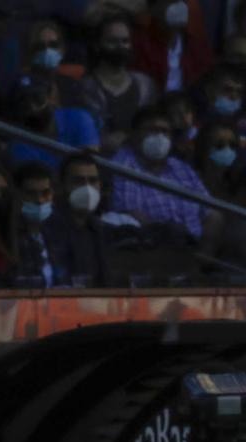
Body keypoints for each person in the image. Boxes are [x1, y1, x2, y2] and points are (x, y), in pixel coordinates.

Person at [110, 105, 213, 242]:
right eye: (152, 131)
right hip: (154, 247)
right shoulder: (123, 164)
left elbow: (210, 213)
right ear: (135, 134)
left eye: (164, 131)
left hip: (194, 250)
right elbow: (131, 213)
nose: (159, 137)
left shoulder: (182, 168)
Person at [76, 16, 159, 155]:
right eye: (112, 41)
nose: (120, 46)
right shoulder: (85, 88)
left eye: (125, 41)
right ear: (97, 45)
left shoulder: (146, 84)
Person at [48, 153, 114, 288]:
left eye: (93, 181)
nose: (87, 188)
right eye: (78, 181)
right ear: (61, 186)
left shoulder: (100, 229)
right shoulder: (47, 228)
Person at [7, 75, 101, 168]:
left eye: (38, 98)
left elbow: (91, 165)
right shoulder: (19, 146)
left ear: (50, 98)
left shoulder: (79, 118)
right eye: (24, 104)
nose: (33, 108)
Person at [133, 0, 213, 95]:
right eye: (170, 1)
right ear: (153, 9)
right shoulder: (140, 45)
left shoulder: (197, 47)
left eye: (181, 1)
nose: (178, 6)